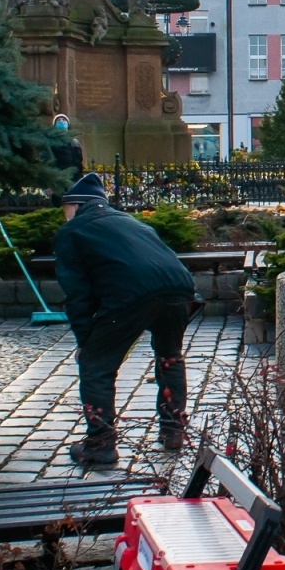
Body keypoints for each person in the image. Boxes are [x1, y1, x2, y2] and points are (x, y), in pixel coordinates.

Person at [53, 173, 197, 465]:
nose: (64, 216)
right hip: (180, 288)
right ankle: (173, 432)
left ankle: (101, 443)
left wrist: (86, 342)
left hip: (132, 295)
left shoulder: (73, 231)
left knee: (96, 364)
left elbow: (77, 295)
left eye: (65, 209)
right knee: (169, 356)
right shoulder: (132, 222)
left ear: (77, 205)